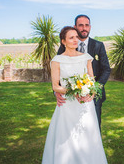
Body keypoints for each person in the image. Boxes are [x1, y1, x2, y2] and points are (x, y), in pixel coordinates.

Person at [42, 26, 108, 164]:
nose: (75, 40)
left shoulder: (86, 58)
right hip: (67, 105)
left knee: (87, 136)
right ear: (63, 41)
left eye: (76, 37)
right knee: (67, 138)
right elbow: (55, 86)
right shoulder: (57, 60)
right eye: (71, 38)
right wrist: (73, 92)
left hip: (85, 104)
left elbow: (92, 81)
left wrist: (91, 93)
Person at [56, 14, 111, 130]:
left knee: (93, 128)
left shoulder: (98, 45)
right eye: (81, 25)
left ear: (90, 27)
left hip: (93, 97)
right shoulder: (65, 46)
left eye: (87, 25)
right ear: (75, 27)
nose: (84, 28)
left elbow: (106, 69)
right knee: (70, 128)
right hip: (70, 98)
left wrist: (95, 89)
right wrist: (57, 92)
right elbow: (58, 70)